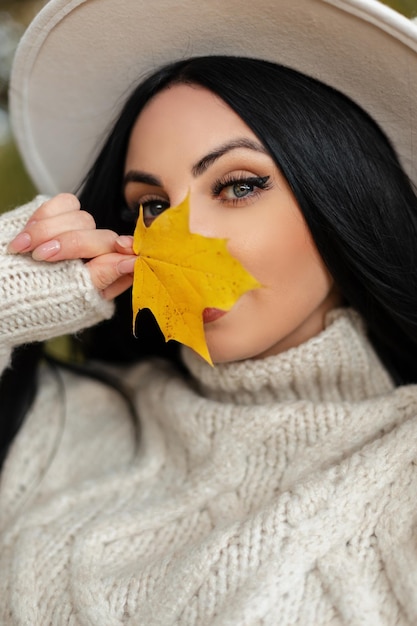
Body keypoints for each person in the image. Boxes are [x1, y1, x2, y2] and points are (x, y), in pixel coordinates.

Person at [1, 0, 417, 623]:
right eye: (151, 205)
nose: (179, 237)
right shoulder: (49, 426)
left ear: (344, 192)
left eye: (238, 185)